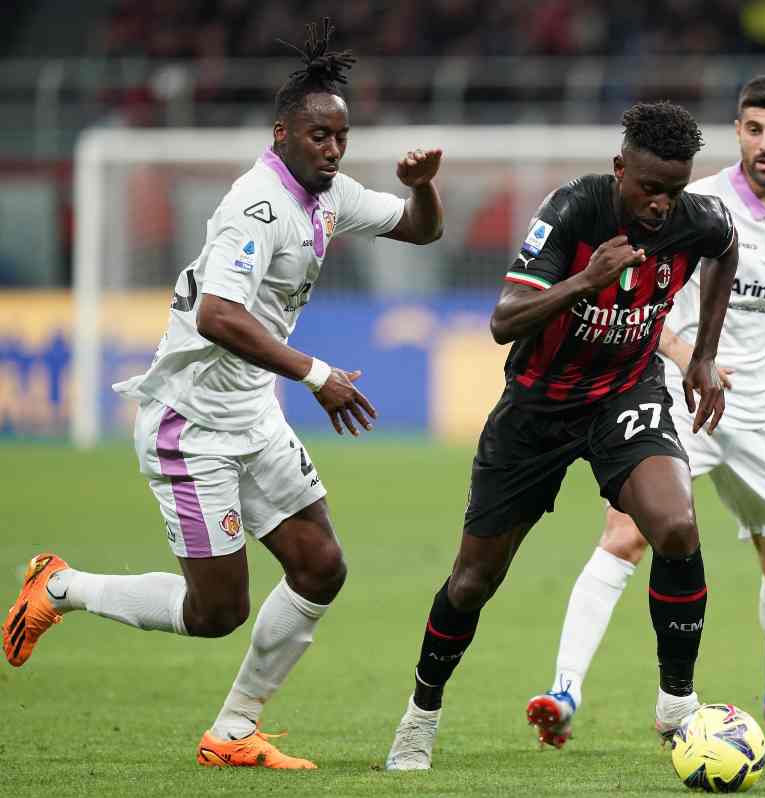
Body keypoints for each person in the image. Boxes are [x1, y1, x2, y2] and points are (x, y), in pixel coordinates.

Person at [1, 18, 444, 769]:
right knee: (217, 612)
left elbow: (421, 230)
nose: (333, 149)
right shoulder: (256, 206)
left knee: (320, 565)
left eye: (341, 137)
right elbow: (217, 315)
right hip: (190, 424)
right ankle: (63, 586)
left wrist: (422, 186)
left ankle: (234, 731)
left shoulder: (329, 195)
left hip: (251, 414)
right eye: (319, 135)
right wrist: (316, 375)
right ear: (282, 133)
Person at [383, 101, 739, 771]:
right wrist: (586, 280)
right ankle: (420, 716)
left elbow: (726, 247)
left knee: (676, 526)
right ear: (619, 169)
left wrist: (704, 356)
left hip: (625, 394)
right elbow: (504, 320)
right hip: (537, 409)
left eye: (674, 189)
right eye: (649, 187)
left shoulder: (695, 219)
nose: (661, 204)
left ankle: (677, 704)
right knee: (472, 581)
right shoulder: (572, 210)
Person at [525, 75, 765, 750]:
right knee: (626, 534)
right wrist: (688, 360)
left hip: (759, 412)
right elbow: (645, 300)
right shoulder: (691, 202)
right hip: (679, 391)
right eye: (754, 130)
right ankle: (564, 691)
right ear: (738, 133)